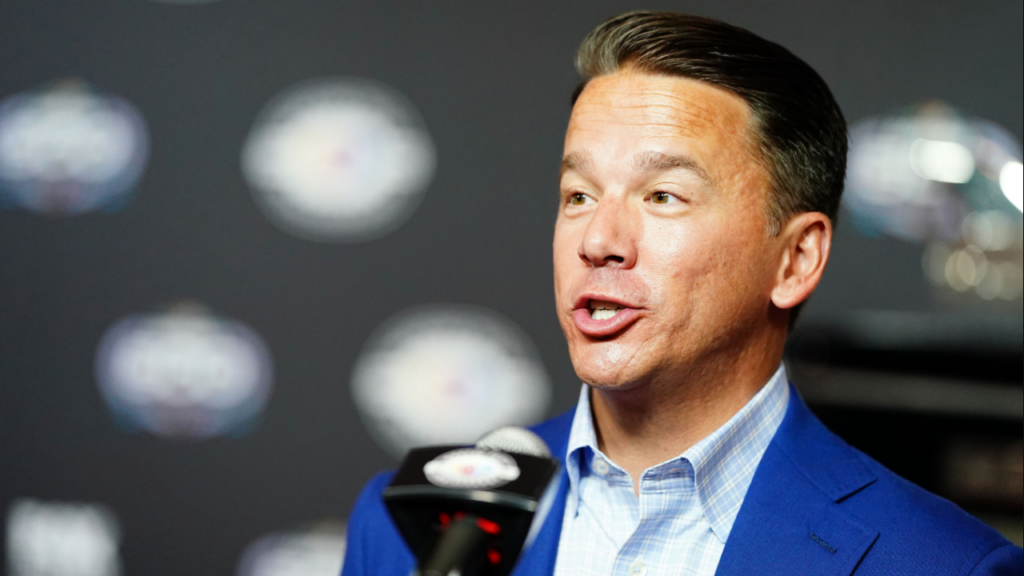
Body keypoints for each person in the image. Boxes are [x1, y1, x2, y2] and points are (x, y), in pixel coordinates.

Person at [342, 11, 1024, 575]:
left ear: (796, 259)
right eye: (578, 195)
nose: (598, 239)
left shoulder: (940, 564)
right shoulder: (417, 521)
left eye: (662, 195)